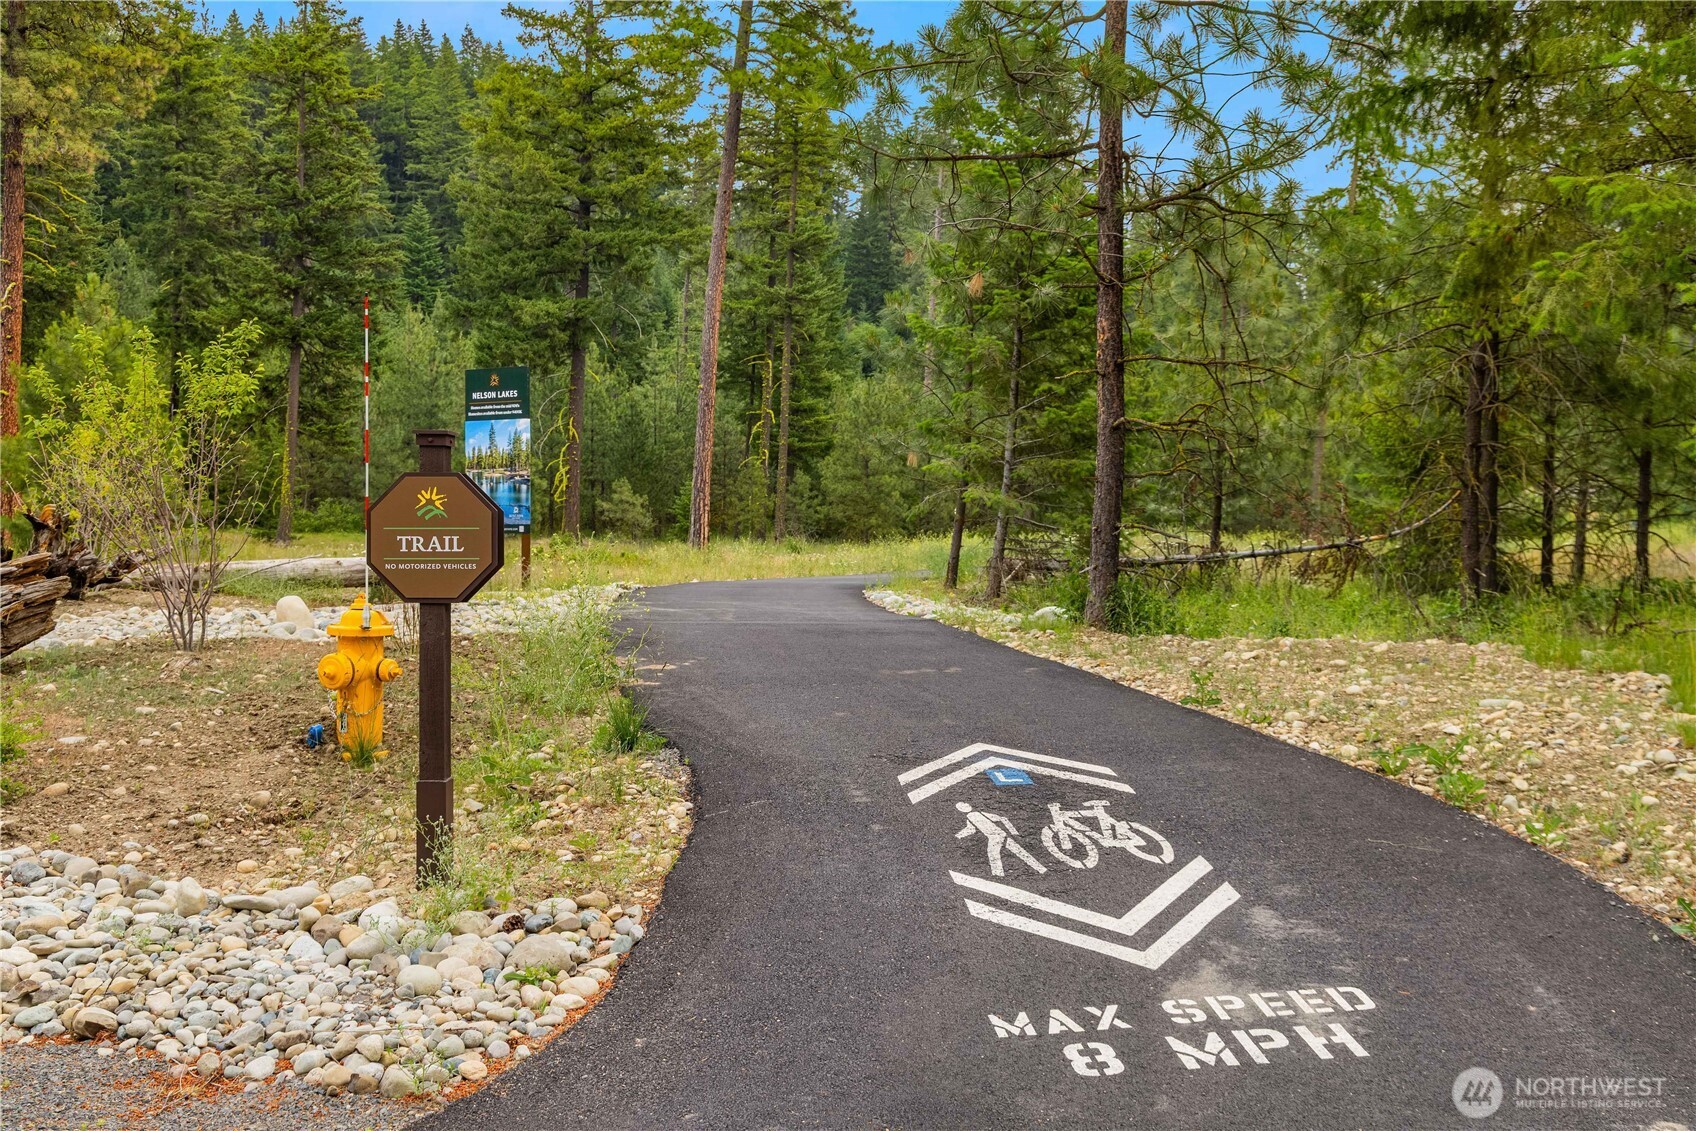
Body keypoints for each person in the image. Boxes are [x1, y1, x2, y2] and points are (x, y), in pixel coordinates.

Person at [955, 801, 1047, 877]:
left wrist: (1013, 831)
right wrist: (959, 835)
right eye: (962, 807)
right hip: (1000, 834)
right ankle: (1041, 868)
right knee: (1019, 851)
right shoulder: (971, 817)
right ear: (961, 810)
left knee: (993, 853)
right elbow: (971, 829)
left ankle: (998, 875)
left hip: (995, 836)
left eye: (965, 804)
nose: (965, 806)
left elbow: (1002, 818)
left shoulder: (978, 814)